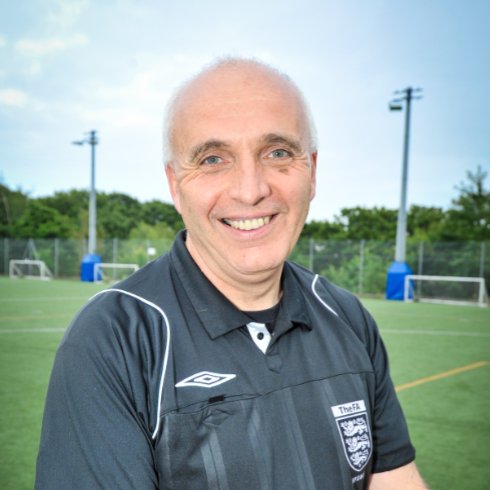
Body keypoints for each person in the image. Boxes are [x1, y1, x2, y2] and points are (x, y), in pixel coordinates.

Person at [35, 57, 428, 489]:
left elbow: (394, 479)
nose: (250, 189)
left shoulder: (348, 318)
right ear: (174, 184)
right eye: (213, 158)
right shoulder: (114, 338)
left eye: (277, 153)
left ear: (312, 170)